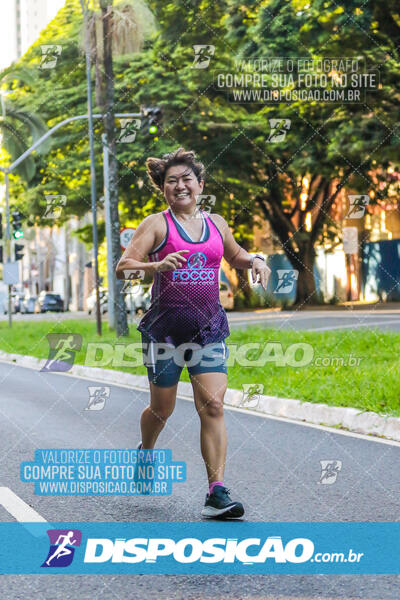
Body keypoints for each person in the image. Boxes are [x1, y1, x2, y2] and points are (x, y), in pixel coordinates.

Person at [116, 147, 270, 518]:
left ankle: (216, 492)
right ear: (164, 189)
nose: (180, 186)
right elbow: (123, 267)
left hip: (208, 327)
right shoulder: (156, 225)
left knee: (214, 406)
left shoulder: (217, 222)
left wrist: (257, 259)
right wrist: (156, 267)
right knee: (161, 408)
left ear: (200, 185)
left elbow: (235, 256)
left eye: (187, 179)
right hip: (164, 331)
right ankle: (146, 452)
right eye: (172, 181)